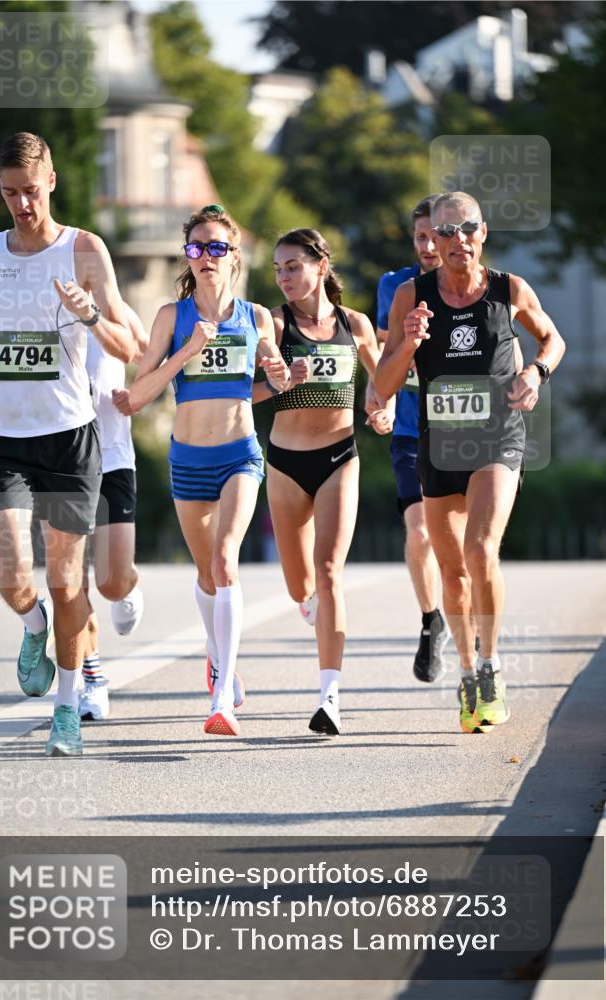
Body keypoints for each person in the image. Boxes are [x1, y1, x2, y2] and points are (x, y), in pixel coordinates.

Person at [0, 132, 137, 756]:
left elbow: (129, 347)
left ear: (51, 182)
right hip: (2, 435)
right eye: (10, 194)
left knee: (67, 583)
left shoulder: (84, 249)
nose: (22, 205)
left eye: (30, 192)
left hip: (68, 438)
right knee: (13, 577)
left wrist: (89, 314)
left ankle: (66, 704)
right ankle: (31, 626)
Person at [375, 192, 565, 734]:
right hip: (439, 451)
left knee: (481, 550)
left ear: (484, 234)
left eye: (468, 229)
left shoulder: (509, 290)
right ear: (431, 240)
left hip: (497, 441)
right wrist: (407, 345)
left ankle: (492, 665)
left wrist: (536, 373)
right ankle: (465, 672)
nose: (458, 240)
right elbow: (382, 388)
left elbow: (553, 339)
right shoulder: (412, 295)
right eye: (446, 232)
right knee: (452, 572)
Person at [114, 204, 289, 737]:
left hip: (240, 453)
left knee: (225, 560)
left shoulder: (258, 317)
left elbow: (271, 383)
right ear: (187, 257)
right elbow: (134, 398)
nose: (206, 256)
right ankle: (217, 658)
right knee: (206, 574)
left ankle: (222, 697)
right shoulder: (173, 316)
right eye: (196, 248)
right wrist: (186, 350)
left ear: (235, 256)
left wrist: (282, 372)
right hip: (188, 459)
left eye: (217, 247)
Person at [258, 228, 380, 736]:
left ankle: (329, 697)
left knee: (329, 570)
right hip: (285, 464)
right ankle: (309, 604)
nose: (284, 277)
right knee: (299, 586)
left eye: (293, 266)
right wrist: (281, 380)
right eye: (278, 269)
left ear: (321, 265)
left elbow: (383, 377)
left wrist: (384, 407)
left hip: (339, 458)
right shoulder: (275, 322)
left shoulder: (355, 325)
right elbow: (248, 392)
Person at [367, 195, 449, 683]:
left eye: (432, 235)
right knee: (420, 533)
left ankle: (474, 631)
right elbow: (386, 353)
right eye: (419, 235)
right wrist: (385, 402)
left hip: (462, 433)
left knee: (459, 545)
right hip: (410, 431)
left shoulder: (474, 290)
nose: (426, 245)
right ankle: (429, 619)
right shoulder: (394, 286)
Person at [78, 303, 149, 722]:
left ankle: (128, 583)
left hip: (113, 455)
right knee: (70, 579)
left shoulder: (113, 305)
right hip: (59, 456)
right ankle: (92, 680)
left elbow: (146, 352)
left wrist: (137, 393)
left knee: (110, 581)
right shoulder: (36, 300)